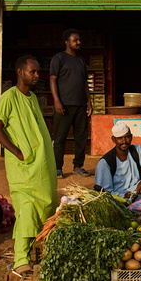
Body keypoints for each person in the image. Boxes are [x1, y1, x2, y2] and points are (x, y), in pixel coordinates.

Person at [0, 54, 57, 275]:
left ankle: (36, 253)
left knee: (45, 208)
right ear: (20, 72)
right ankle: (20, 259)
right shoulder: (9, 97)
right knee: (26, 210)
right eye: (33, 71)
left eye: (38, 72)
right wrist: (16, 151)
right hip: (23, 169)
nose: (37, 75)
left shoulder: (32, 97)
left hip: (41, 168)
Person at [50, 28, 92, 179]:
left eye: (79, 40)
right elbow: (53, 79)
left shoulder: (81, 60)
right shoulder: (58, 58)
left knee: (81, 138)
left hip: (81, 105)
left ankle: (78, 166)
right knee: (59, 137)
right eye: (75, 40)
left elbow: (85, 83)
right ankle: (57, 168)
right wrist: (57, 101)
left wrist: (89, 102)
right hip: (64, 105)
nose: (78, 42)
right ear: (67, 42)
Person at [95, 122, 141, 200]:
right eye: (120, 138)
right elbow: (104, 191)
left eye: (127, 137)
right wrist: (123, 196)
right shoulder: (105, 162)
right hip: (119, 197)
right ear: (113, 139)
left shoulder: (137, 150)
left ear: (131, 137)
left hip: (137, 191)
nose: (124, 141)